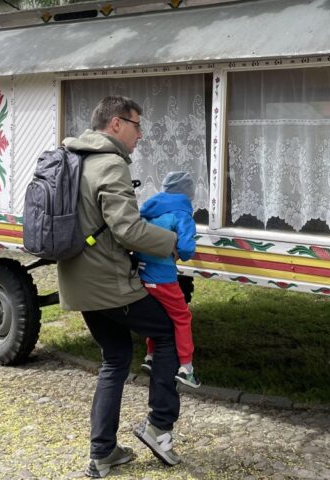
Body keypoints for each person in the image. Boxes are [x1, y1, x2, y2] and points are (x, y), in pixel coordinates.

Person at [55, 95, 184, 477]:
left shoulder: (72, 158)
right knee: (168, 334)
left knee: (113, 358)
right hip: (109, 283)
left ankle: (103, 453)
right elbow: (126, 229)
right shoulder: (110, 164)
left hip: (78, 282)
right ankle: (159, 427)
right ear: (115, 124)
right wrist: (170, 243)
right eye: (136, 125)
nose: (140, 134)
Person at [136, 171, 200, 389]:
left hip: (142, 274)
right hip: (163, 277)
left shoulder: (148, 209)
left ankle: (151, 355)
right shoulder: (182, 214)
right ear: (187, 192)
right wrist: (183, 253)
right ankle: (186, 368)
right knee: (182, 317)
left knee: (158, 315)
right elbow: (186, 247)